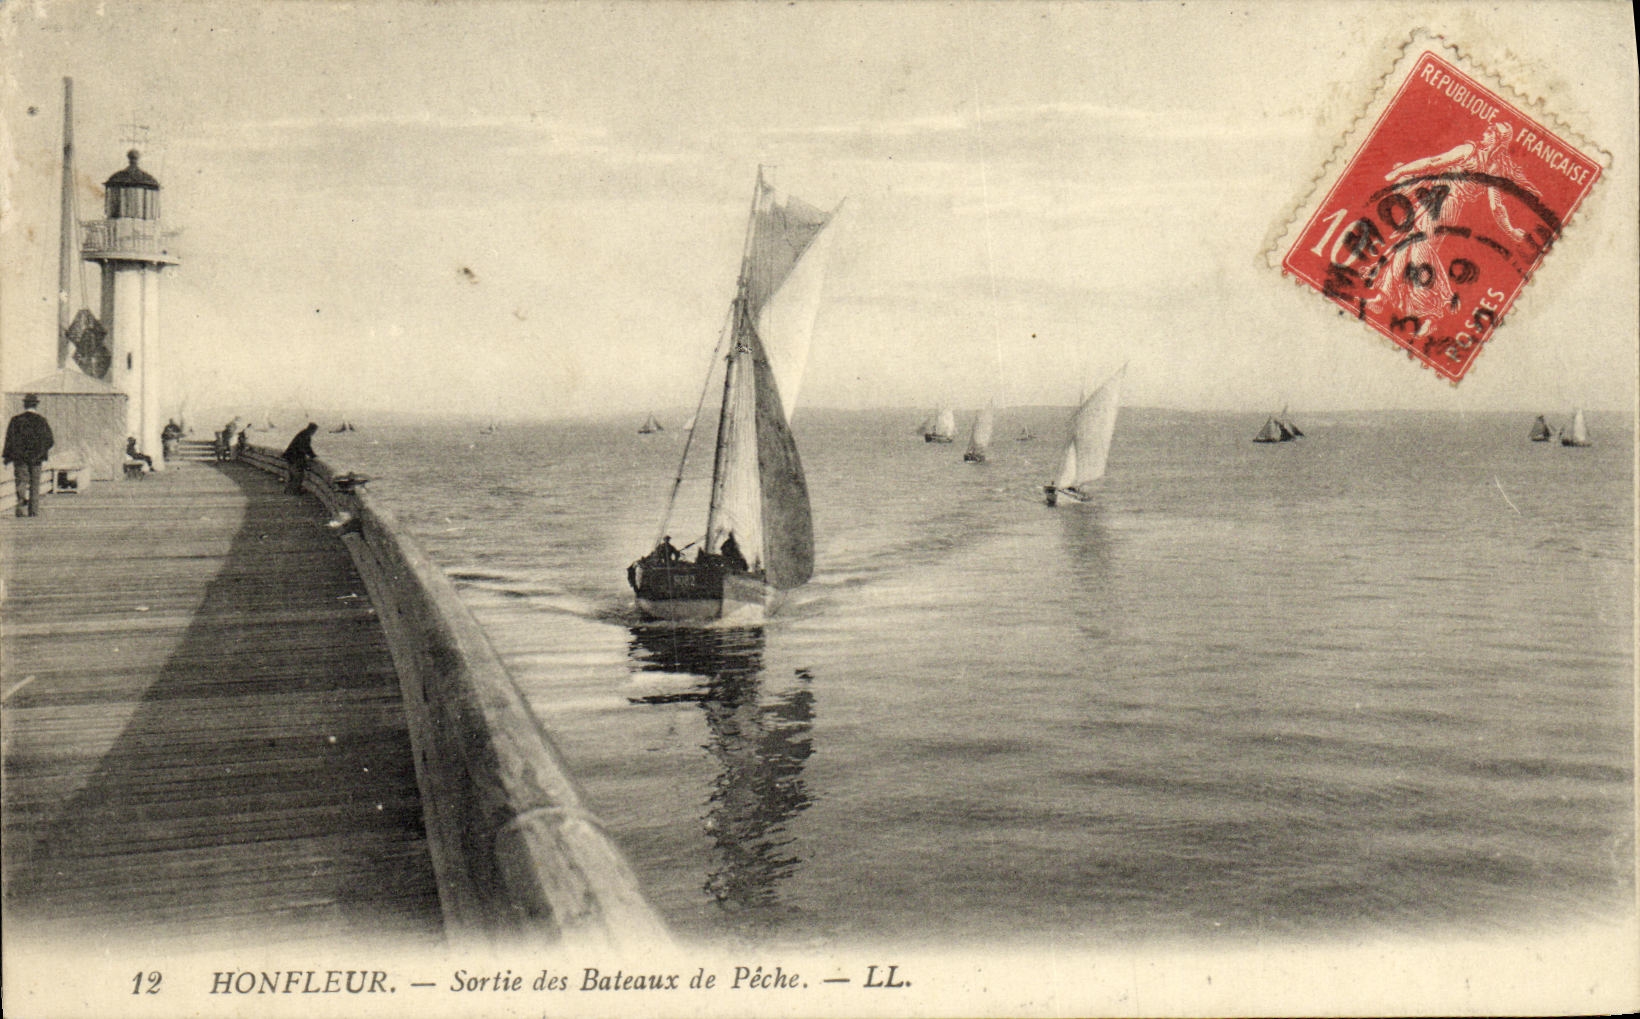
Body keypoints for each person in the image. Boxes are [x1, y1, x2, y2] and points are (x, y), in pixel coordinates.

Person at [4, 395, 55, 518]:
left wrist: (7, 457)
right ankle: (33, 512)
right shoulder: (42, 421)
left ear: (25, 405)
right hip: (36, 459)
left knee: (21, 483)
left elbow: (9, 440)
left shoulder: (16, 420)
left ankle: (20, 510)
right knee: (35, 485)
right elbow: (50, 440)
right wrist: (42, 453)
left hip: (20, 459)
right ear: (36, 405)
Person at [282, 422, 318, 494]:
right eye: (314, 431)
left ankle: (289, 490)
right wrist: (312, 455)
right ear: (312, 430)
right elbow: (305, 447)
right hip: (295, 457)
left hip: (290, 455)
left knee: (292, 474)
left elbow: (305, 447)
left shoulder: (302, 433)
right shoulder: (306, 435)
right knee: (298, 475)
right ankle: (295, 490)